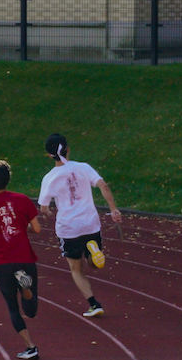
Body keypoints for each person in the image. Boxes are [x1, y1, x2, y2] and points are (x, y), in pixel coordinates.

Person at [37, 133, 122, 318]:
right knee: (93, 264)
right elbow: (103, 186)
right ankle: (93, 251)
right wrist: (113, 210)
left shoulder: (49, 178)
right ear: (68, 149)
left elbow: (43, 207)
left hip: (68, 228)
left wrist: (48, 213)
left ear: (49, 155)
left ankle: (94, 304)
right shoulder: (84, 167)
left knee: (76, 269)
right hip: (91, 223)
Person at [0, 160, 43, 360]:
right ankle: (27, 290)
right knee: (31, 311)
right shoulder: (22, 200)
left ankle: (30, 347)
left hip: (2, 262)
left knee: (12, 307)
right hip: (25, 258)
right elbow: (37, 229)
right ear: (8, 179)